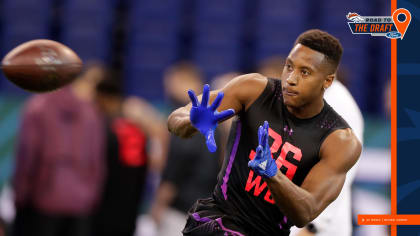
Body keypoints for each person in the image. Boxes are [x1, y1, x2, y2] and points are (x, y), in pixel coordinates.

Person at [167, 29, 362, 235]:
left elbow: (305, 212)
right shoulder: (254, 89)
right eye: (289, 66)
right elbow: (175, 120)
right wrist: (191, 121)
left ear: (328, 81)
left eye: (304, 72)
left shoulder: (339, 140)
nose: (291, 79)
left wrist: (273, 174)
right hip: (220, 219)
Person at [12, 63, 107, 236]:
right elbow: (97, 162)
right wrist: (91, 196)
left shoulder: (36, 108)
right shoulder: (91, 113)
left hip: (43, 201)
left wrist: (20, 196)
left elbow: (27, 157)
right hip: (81, 203)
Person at [141, 62, 221, 236]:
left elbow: (176, 168)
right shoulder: (214, 122)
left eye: (174, 82)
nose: (168, 88)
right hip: (207, 210)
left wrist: (159, 204)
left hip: (181, 211)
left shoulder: (188, 121)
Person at [92, 76, 149, 236]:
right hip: (129, 210)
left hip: (102, 212)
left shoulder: (101, 128)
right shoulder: (137, 128)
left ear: (102, 98)